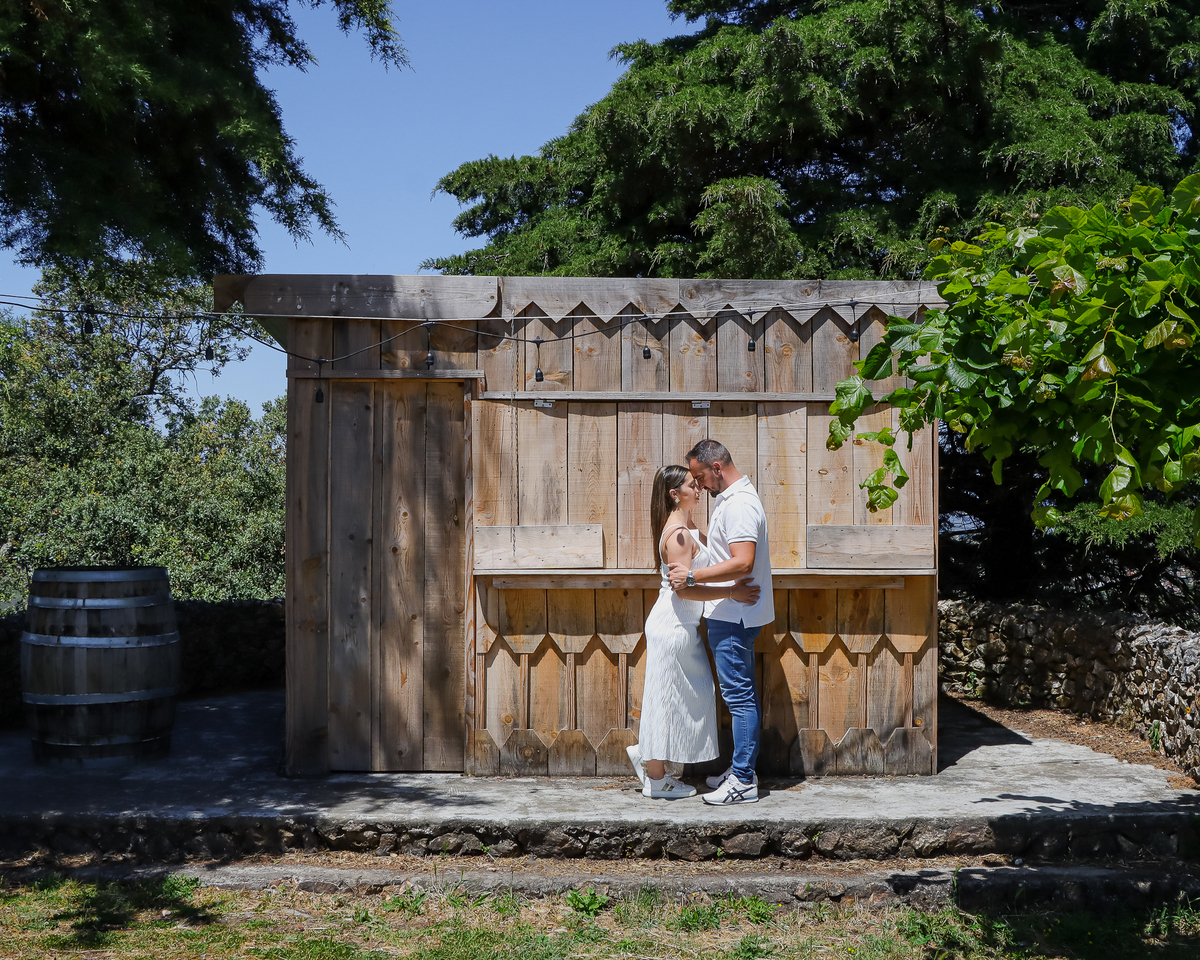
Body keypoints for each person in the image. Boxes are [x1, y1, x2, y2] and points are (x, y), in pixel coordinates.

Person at [628, 464, 761, 799]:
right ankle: (656, 779)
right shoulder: (678, 536)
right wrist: (732, 593)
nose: (699, 488)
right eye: (692, 485)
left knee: (686, 696)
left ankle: (646, 755)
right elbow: (684, 590)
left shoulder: (688, 528)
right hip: (672, 625)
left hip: (684, 626)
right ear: (675, 494)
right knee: (665, 698)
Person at [668, 440, 774, 805]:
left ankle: (743, 780)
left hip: (733, 617)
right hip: (730, 612)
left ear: (717, 468)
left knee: (739, 697)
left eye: (700, 477)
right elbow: (722, 551)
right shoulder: (731, 500)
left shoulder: (740, 504)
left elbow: (743, 561)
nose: (699, 485)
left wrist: (693, 577)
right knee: (739, 695)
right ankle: (742, 769)